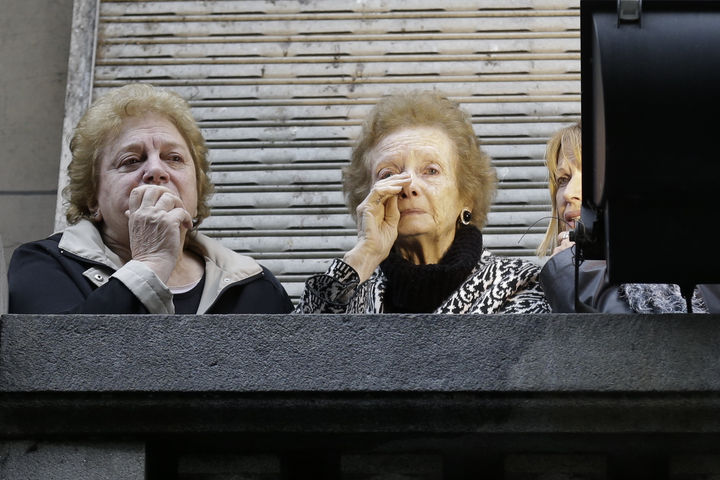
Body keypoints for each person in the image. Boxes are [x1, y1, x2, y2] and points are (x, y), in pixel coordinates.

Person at [8, 83, 293, 314]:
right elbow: (64, 359)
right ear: (93, 198)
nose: (156, 170)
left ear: (196, 187)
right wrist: (150, 263)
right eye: (131, 160)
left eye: (174, 158)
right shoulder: (46, 265)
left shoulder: (255, 286)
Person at [296, 92, 549, 314]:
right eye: (389, 174)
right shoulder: (347, 294)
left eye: (430, 171)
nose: (409, 186)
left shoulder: (517, 286)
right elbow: (297, 348)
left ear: (467, 195)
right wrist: (364, 255)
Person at [537, 123, 720, 313]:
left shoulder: (698, 270)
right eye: (563, 179)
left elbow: (651, 328)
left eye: (591, 175)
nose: (568, 193)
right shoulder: (534, 292)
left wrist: (571, 270)